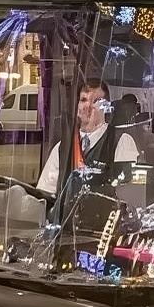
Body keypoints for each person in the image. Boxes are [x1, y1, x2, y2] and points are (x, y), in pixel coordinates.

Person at [37, 79, 139, 225]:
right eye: (83, 100)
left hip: (102, 234)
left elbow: (125, 197)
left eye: (96, 101)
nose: (88, 106)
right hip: (65, 235)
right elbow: (45, 193)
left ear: (106, 107)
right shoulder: (62, 148)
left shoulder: (121, 142)